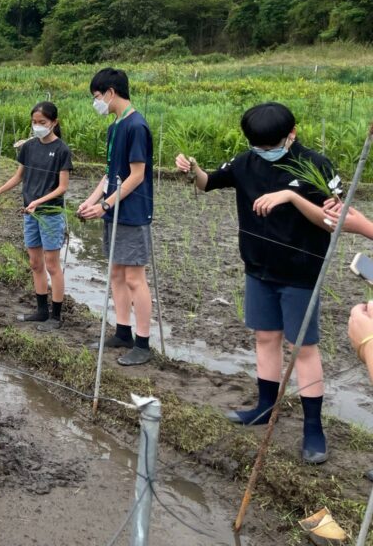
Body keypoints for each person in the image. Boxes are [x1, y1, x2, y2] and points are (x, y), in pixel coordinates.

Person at [175, 101, 334, 464]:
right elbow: (209, 183)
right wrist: (194, 169)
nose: (263, 154)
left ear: (290, 134)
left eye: (269, 146)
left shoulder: (316, 166)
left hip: (300, 272)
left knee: (303, 348)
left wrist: (291, 197)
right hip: (257, 267)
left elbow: (333, 220)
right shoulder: (246, 162)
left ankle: (313, 427)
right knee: (265, 337)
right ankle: (265, 407)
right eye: (257, 147)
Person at [76, 68, 154, 367]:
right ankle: (123, 331)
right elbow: (111, 175)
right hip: (114, 210)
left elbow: (136, 176)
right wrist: (91, 201)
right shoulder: (115, 127)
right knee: (117, 275)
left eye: (97, 97)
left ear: (111, 92)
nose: (97, 102)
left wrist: (105, 206)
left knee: (135, 277)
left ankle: (143, 343)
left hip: (132, 213)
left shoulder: (136, 125)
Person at [0, 101, 73, 330]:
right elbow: (19, 177)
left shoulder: (62, 150)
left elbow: (62, 187)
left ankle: (56, 316)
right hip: (30, 212)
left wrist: (39, 201)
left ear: (54, 123)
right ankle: (41, 310)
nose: (37, 126)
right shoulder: (29, 147)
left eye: (42, 123)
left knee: (52, 265)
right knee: (36, 263)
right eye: (34, 122)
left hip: (50, 214)